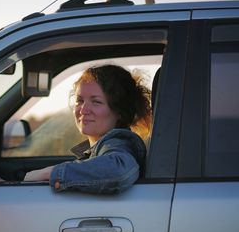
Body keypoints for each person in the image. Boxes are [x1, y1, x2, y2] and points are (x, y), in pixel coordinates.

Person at [24, 64, 151, 194]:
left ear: (119, 111)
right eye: (79, 100)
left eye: (96, 102)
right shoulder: (99, 149)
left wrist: (49, 173)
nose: (83, 110)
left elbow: (120, 170)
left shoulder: (118, 143)